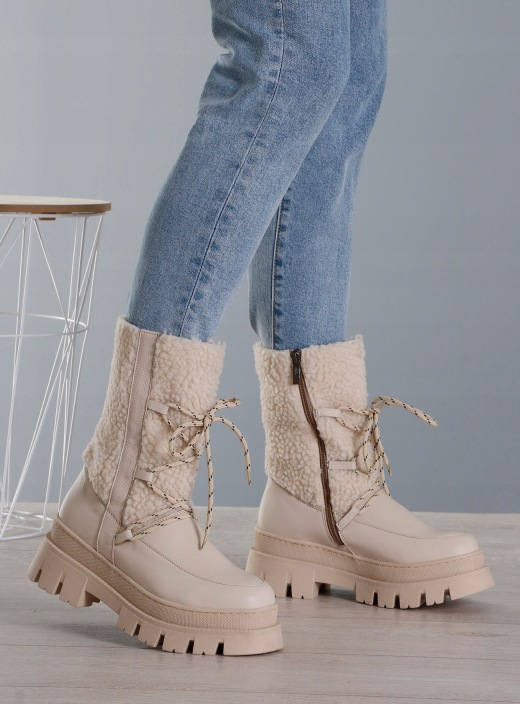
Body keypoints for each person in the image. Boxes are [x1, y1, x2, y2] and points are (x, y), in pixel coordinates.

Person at [28, 0, 493, 655]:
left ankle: (317, 485)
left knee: (348, 77)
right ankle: (126, 489)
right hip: (125, 499)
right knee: (289, 61)